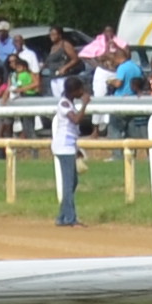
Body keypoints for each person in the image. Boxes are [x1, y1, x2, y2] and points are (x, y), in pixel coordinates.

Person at [49, 58, 88, 229]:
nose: (83, 92)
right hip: (63, 147)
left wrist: (77, 149)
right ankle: (70, 218)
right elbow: (76, 120)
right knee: (68, 182)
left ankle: (62, 216)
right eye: (80, 90)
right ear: (74, 91)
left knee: (72, 182)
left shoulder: (69, 102)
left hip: (69, 145)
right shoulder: (65, 103)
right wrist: (85, 104)